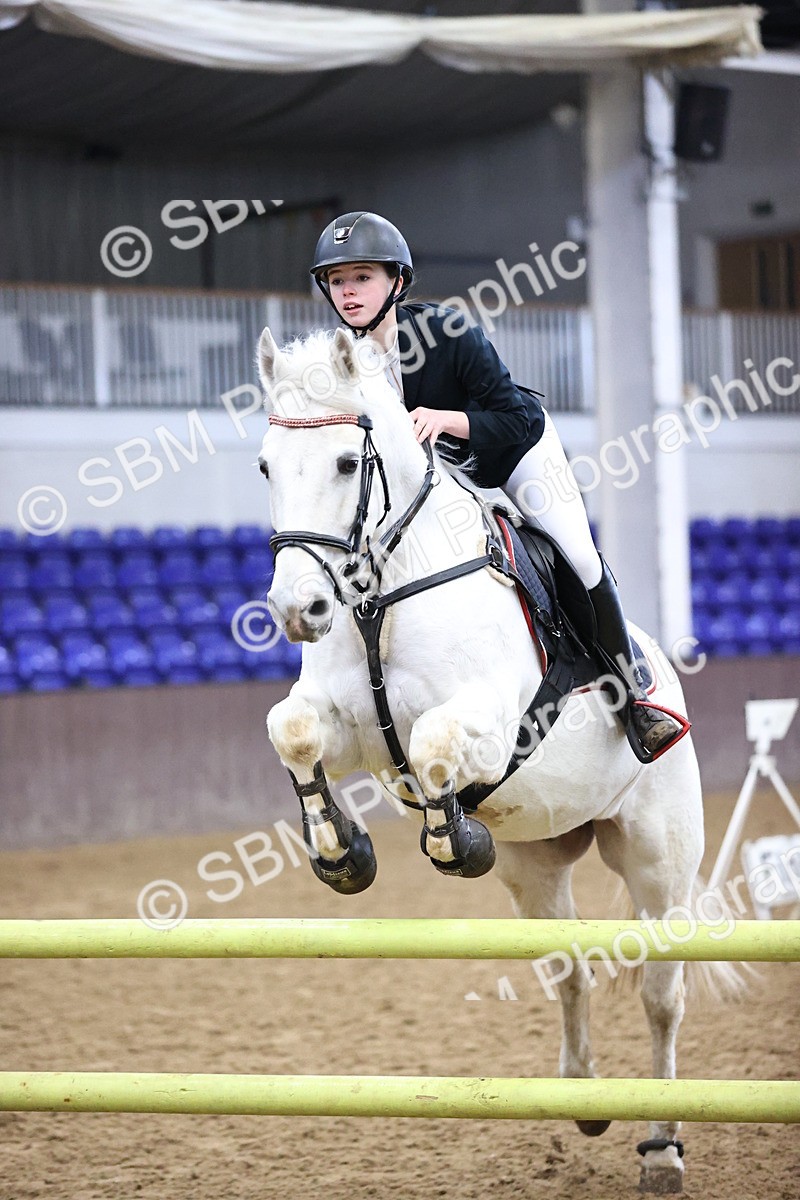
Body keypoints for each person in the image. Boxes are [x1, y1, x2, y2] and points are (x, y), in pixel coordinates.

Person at [309, 210, 683, 760]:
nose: (348, 291)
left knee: (577, 555)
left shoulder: (446, 331)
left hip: (513, 454)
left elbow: (518, 418)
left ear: (397, 282)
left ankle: (635, 697)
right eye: (338, 281)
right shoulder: (344, 360)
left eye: (362, 277)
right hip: (441, 479)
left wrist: (446, 419)